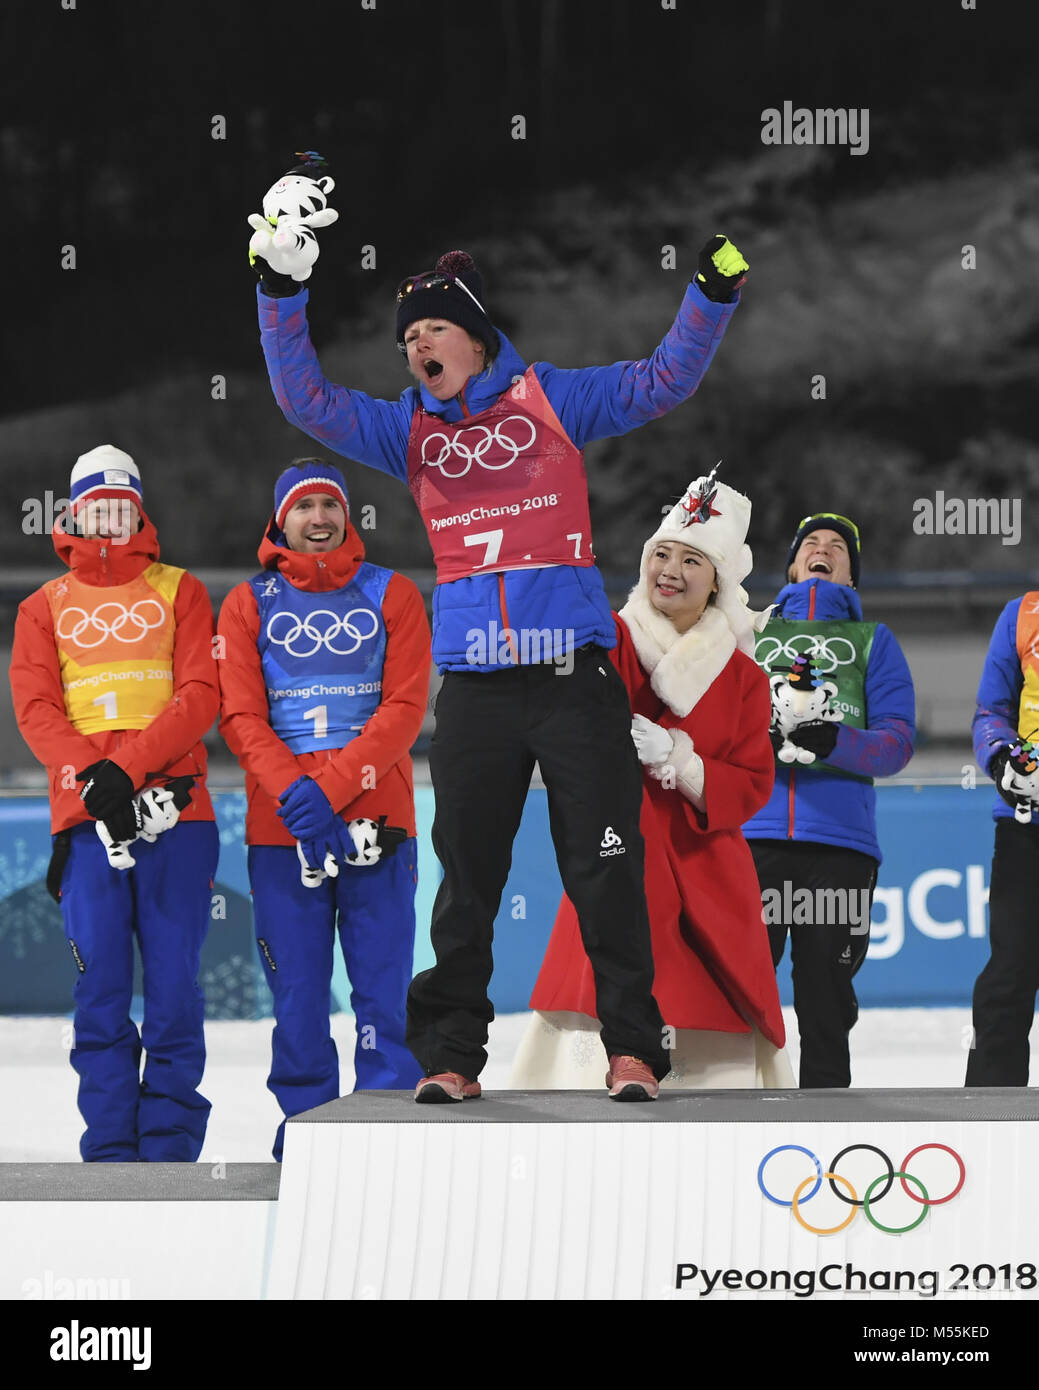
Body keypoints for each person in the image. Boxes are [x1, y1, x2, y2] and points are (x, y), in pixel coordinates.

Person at [252, 169, 749, 1100]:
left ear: (475, 337)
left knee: (605, 871)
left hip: (573, 681)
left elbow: (662, 379)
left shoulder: (552, 400)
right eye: (405, 339)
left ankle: (632, 1049)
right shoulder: (405, 431)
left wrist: (708, 295)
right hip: (476, 689)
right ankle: (448, 1057)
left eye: (430, 330)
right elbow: (307, 402)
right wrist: (280, 292)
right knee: (466, 880)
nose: (414, 348)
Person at [511, 472, 791, 1089]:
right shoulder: (605, 639)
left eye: (692, 559)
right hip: (617, 850)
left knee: (710, 1049)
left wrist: (684, 765)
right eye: (661, 553)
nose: (670, 569)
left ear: (718, 579)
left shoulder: (744, 677)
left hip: (704, 865)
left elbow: (751, 785)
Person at [10, 445, 220, 1161]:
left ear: (137, 510)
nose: (106, 519)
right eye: (94, 506)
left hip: (176, 816)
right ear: (73, 512)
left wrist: (121, 774)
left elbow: (199, 698)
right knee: (99, 990)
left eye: (119, 506)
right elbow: (36, 711)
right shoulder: (43, 607)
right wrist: (96, 784)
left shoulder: (180, 589)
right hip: (88, 823)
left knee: (173, 992)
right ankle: (108, 1150)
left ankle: (168, 1146)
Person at [217, 459, 431, 1157]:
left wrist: (326, 794)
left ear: (346, 516)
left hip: (379, 823)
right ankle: (308, 1134)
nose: (318, 518)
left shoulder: (391, 594)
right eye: (304, 507)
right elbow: (240, 717)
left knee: (382, 992)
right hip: (283, 833)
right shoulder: (248, 603)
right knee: (299, 996)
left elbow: (403, 709)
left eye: (329, 506)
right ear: (281, 521)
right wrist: (299, 803)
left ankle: (387, 1129)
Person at [743, 514, 915, 1088]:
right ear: (792, 566)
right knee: (740, 988)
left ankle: (828, 1127)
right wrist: (748, 740)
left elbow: (896, 744)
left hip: (839, 849)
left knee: (824, 994)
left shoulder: (876, 642)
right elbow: (710, 725)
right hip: (750, 840)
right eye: (811, 545)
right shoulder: (750, 631)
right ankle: (725, 1118)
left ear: (851, 573)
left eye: (837, 547)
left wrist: (836, 741)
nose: (823, 551)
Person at [965, 592, 1039, 1085]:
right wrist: (1002, 758)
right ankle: (988, 1121)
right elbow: (991, 711)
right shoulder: (1022, 613)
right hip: (1026, 824)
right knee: (1010, 974)